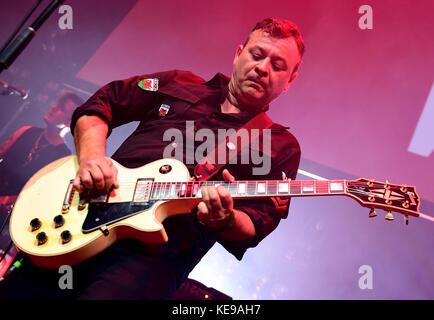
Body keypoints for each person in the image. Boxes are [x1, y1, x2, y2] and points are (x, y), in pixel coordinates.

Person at [0, 17, 304, 300]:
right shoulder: (176, 82)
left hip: (151, 262)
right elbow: (105, 102)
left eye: (278, 65)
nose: (263, 68)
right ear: (238, 54)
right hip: (79, 220)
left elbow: (256, 222)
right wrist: (92, 158)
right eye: (257, 54)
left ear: (290, 80)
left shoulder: (281, 146)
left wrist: (225, 219)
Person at [0, 92, 84, 278]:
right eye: (57, 103)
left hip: (8, 220)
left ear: (69, 124)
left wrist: (6, 200)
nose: (54, 107)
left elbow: (42, 198)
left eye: (62, 108)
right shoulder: (26, 131)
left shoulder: (64, 159)